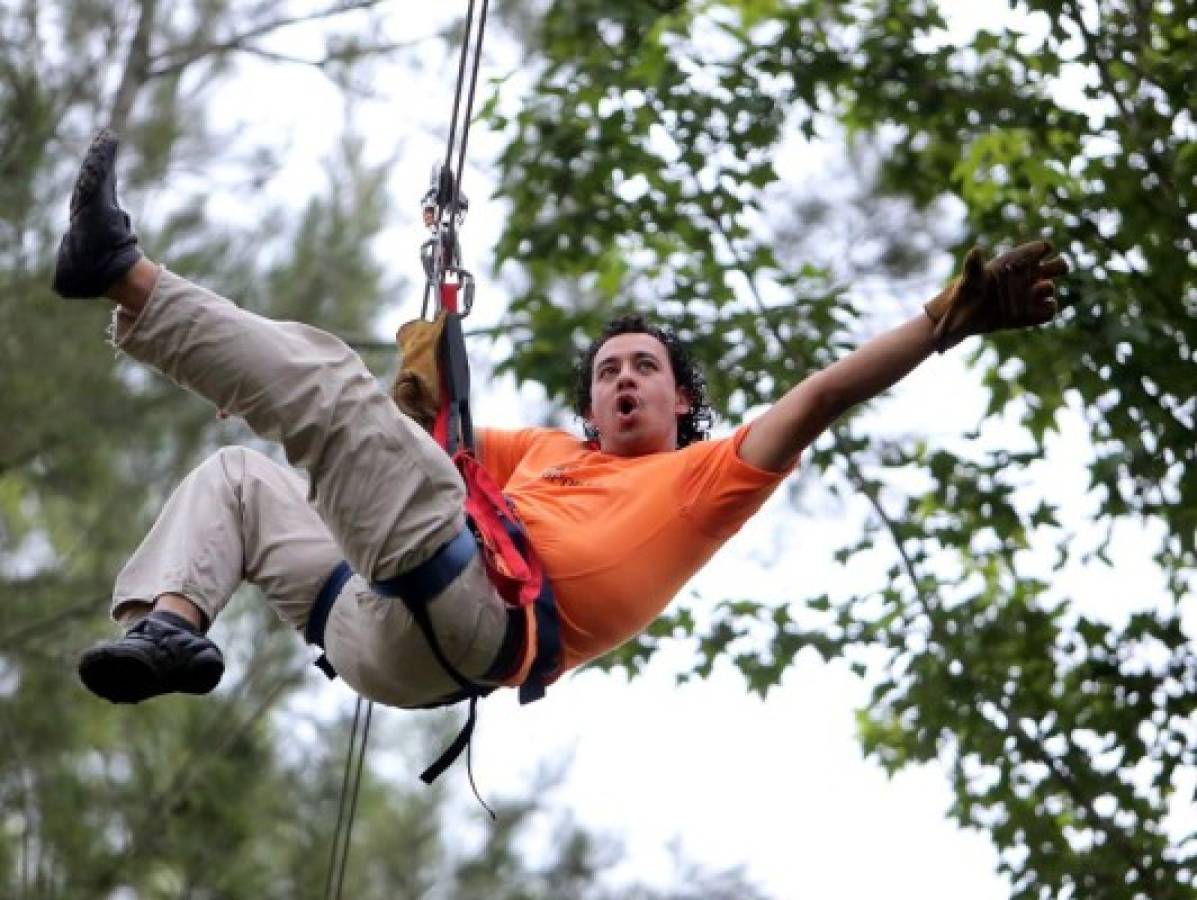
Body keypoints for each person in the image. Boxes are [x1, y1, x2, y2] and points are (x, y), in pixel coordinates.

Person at [57, 130, 1068, 710]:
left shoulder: (705, 479)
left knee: (327, 389)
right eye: (608, 372)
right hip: (371, 635)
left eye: (646, 371)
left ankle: (125, 277)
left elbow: (819, 398)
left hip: (474, 616)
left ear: (682, 402)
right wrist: (426, 365)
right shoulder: (540, 454)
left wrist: (944, 323)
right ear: (587, 405)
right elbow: (429, 438)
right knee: (241, 479)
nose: (624, 381)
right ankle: (169, 632)